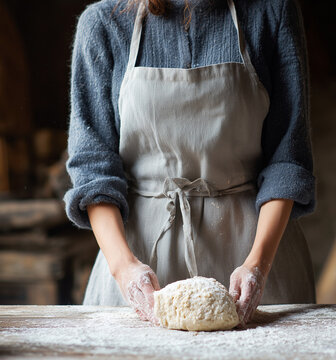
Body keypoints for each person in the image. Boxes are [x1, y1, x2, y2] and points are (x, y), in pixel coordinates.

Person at [65, 0, 315, 326]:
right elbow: (92, 169)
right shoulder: (102, 24)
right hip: (137, 261)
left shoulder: (272, 12)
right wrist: (124, 268)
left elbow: (288, 159)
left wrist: (257, 265)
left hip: (258, 259)